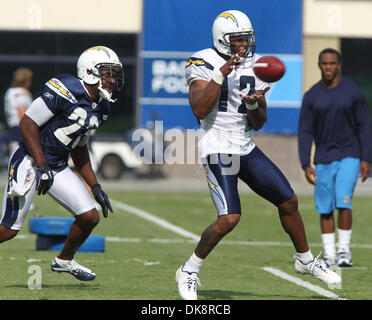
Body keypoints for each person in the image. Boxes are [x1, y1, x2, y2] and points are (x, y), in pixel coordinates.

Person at [175, 10, 341, 300]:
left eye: (247, 39)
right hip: (217, 146)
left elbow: (259, 122)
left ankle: (304, 260)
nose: (244, 46)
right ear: (222, 40)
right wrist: (220, 73)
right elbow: (200, 109)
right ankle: (188, 270)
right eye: (238, 40)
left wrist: (254, 105)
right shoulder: (202, 61)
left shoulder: (257, 65)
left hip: (245, 145)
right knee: (229, 218)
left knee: (288, 200)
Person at [0, 46, 124, 281]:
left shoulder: (102, 106)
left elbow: (79, 146)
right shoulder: (66, 88)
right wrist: (42, 165)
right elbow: (28, 124)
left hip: (55, 166)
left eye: (113, 73)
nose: (112, 79)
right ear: (89, 72)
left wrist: (95, 186)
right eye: (107, 72)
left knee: (90, 217)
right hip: (30, 160)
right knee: (8, 230)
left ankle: (64, 260)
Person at [298, 48, 372, 268]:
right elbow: (305, 131)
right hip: (322, 159)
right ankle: (329, 254)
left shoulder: (354, 93)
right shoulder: (311, 96)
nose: (328, 67)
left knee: (344, 202)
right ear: (319, 65)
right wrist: (305, 163)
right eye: (324, 63)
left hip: (350, 155)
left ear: (339, 65)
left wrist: (366, 158)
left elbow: (365, 128)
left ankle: (344, 251)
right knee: (325, 208)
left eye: (332, 63)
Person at [4, 68, 33, 155]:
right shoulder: (22, 93)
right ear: (26, 81)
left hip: (13, 130)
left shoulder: (10, 92)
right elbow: (23, 115)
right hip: (21, 132)